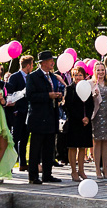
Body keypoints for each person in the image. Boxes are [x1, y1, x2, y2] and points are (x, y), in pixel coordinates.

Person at [23, 52, 61, 184]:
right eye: (50, 60)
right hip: (38, 117)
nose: (52, 63)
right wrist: (47, 96)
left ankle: (47, 174)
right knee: (35, 148)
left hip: (51, 116)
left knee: (49, 147)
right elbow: (30, 96)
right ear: (42, 62)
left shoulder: (53, 76)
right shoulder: (33, 76)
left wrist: (58, 96)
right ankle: (33, 176)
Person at [61, 63, 95, 182]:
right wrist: (79, 117)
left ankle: (81, 170)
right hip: (74, 121)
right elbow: (68, 106)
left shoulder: (87, 87)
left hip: (85, 122)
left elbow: (91, 104)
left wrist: (87, 118)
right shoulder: (69, 89)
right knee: (73, 147)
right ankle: (73, 171)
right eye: (75, 75)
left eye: (80, 75)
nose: (78, 77)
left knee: (82, 147)